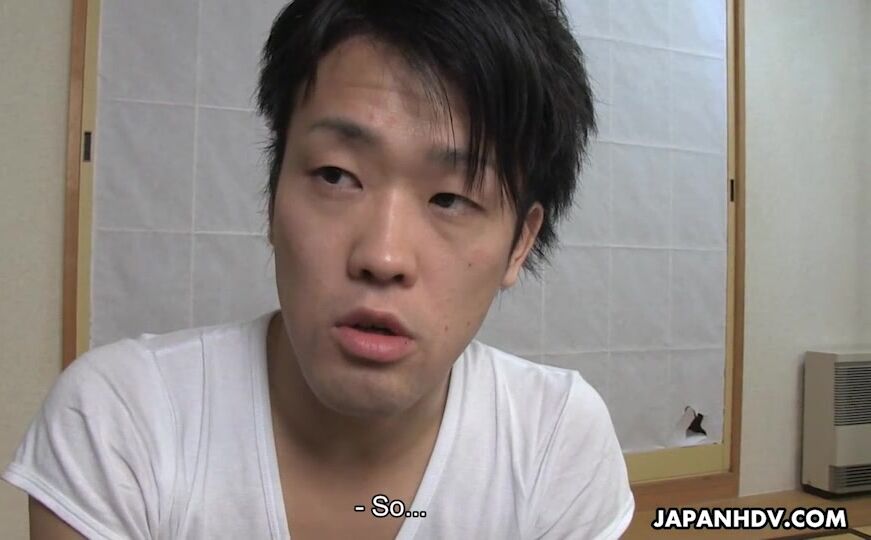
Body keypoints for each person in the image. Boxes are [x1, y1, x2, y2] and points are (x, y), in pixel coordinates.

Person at [4, 0, 635, 538]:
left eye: (449, 199)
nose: (382, 257)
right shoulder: (122, 423)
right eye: (336, 175)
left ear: (520, 244)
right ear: (273, 195)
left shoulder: (555, 442)